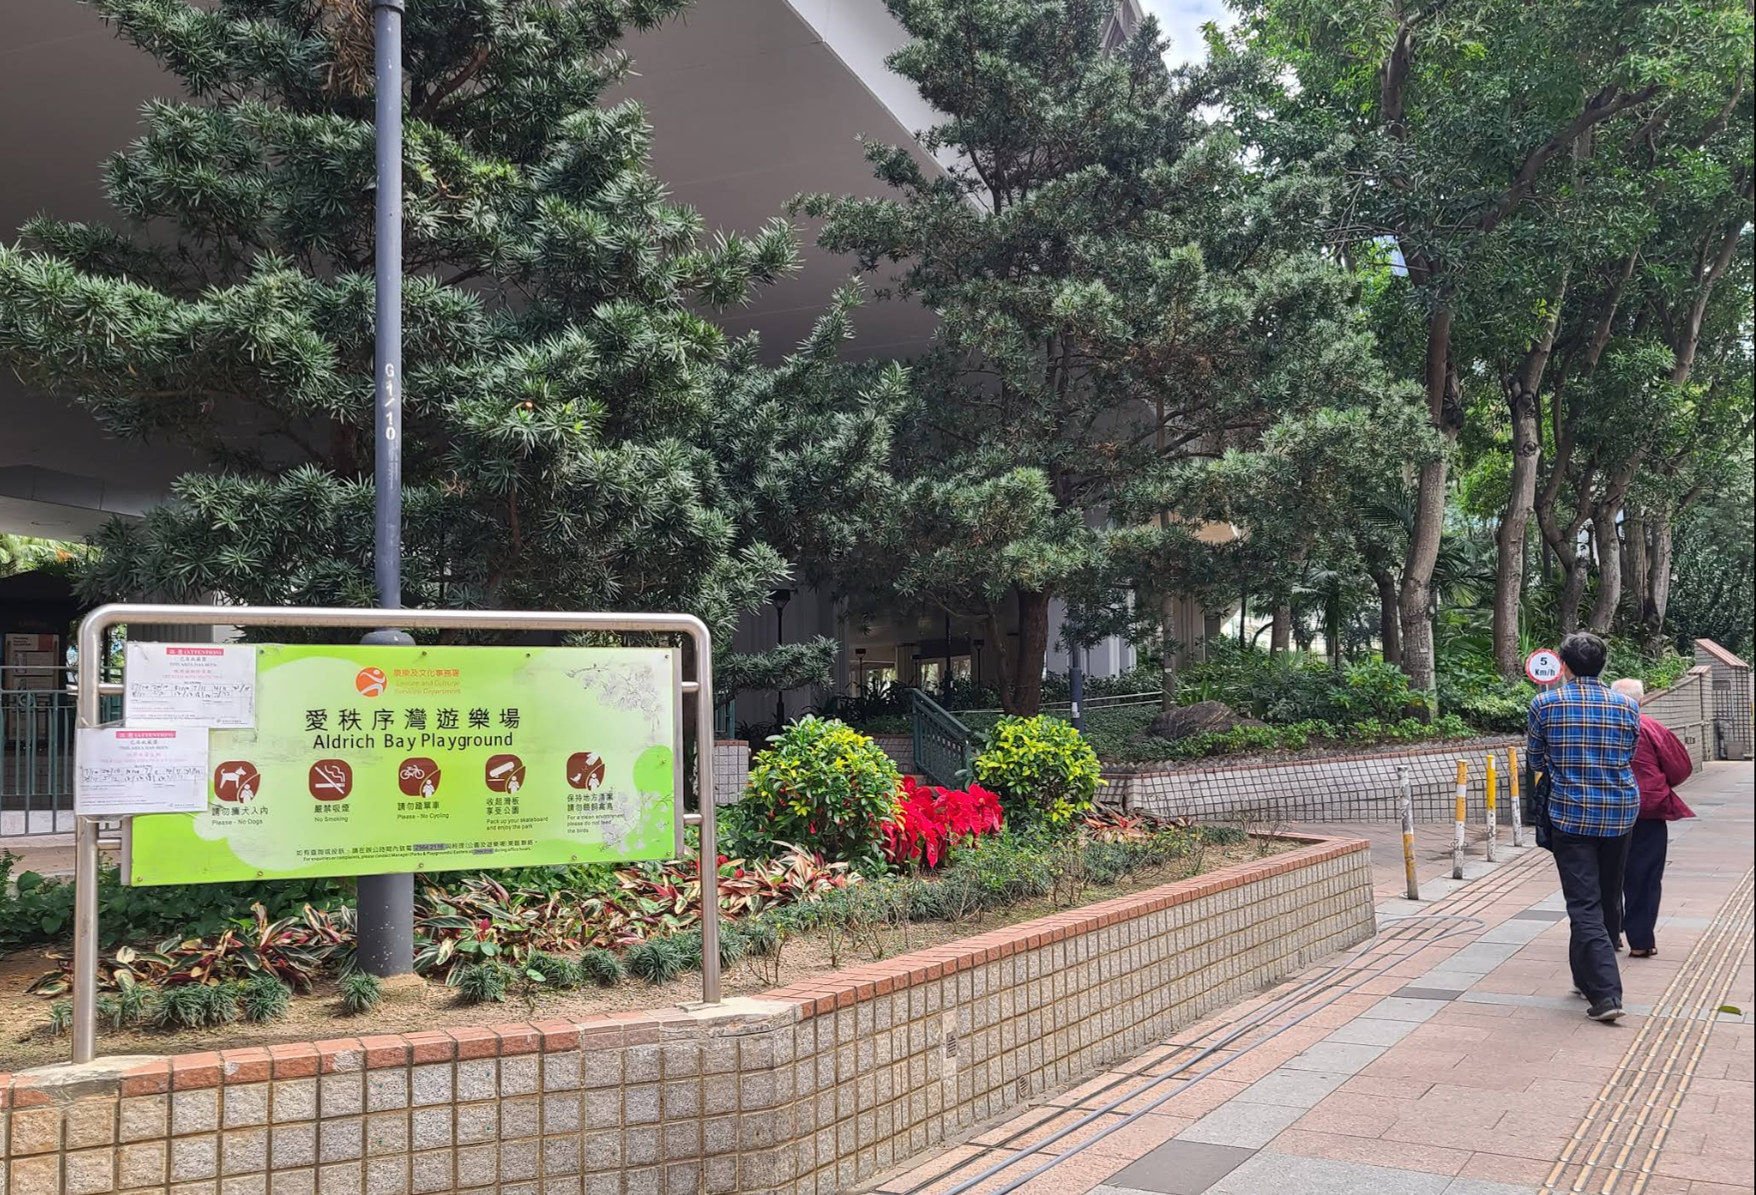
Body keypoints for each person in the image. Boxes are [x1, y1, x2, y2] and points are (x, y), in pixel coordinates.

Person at [1527, 632, 1641, 1023]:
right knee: (1608, 894)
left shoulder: (1545, 703)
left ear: (1566, 665)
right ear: (1602, 665)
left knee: (1583, 903)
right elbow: (1629, 753)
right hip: (1620, 812)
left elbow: (1537, 760)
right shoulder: (1627, 705)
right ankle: (1586, 977)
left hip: (1571, 815)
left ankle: (1607, 994)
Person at [1609, 678, 1695, 958]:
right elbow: (1680, 768)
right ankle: (1642, 940)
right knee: (1645, 876)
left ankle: (1608, 936)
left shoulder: (1600, 726)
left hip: (1605, 811)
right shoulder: (1651, 727)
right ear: (1643, 701)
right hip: (1647, 809)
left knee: (1606, 874)